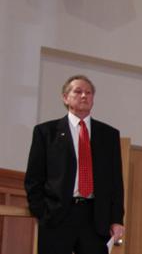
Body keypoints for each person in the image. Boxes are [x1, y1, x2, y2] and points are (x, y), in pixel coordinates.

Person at [25, 75, 125, 254]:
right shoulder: (46, 132)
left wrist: (117, 219)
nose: (84, 96)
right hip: (57, 215)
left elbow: (115, 182)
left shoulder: (108, 135)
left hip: (95, 218)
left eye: (89, 93)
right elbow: (34, 177)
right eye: (78, 91)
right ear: (65, 97)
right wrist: (41, 211)